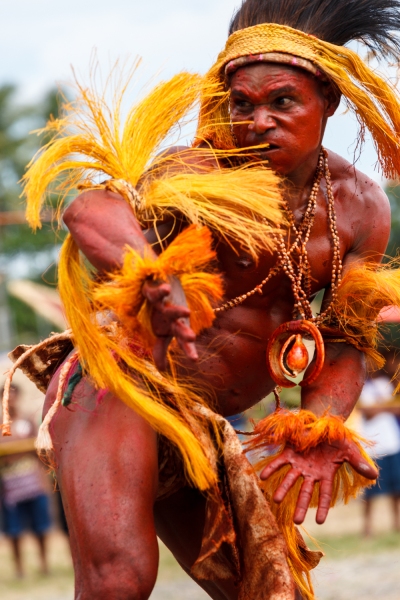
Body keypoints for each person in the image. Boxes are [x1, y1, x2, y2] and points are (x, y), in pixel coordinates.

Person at [4, 0, 400, 598]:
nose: (258, 120)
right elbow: (90, 208)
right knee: (120, 582)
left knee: (271, 594)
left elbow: (347, 334)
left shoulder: (361, 208)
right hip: (124, 389)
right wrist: (148, 271)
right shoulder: (196, 172)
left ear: (329, 103)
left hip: (212, 428)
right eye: (242, 103)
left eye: (282, 102)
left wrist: (320, 423)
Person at [0, 385, 51, 577]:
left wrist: (44, 479)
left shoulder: (28, 421)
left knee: (41, 526)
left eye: (13, 393)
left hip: (33, 483)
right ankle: (19, 569)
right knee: (14, 531)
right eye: (6, 395)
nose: (10, 398)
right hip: (9, 487)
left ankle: (44, 564)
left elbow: (39, 451)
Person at [359, 349, 400, 536]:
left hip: (392, 442)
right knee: (370, 490)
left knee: (396, 487)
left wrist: (377, 407)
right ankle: (368, 526)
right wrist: (386, 406)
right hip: (373, 445)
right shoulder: (361, 386)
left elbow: (396, 408)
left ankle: (396, 522)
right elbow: (367, 412)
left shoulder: (386, 383)